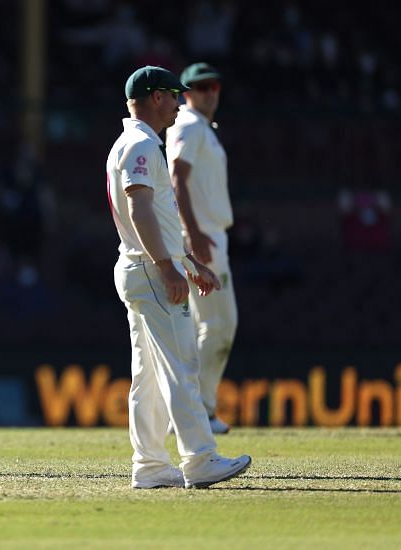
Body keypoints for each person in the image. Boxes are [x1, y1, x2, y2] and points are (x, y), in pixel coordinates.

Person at [106, 65, 251, 489]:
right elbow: (140, 208)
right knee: (182, 365)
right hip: (151, 269)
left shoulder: (134, 141)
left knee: (148, 377)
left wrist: (188, 262)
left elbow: (161, 220)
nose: (176, 104)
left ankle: (150, 467)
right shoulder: (141, 143)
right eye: (172, 96)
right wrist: (169, 267)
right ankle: (200, 459)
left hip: (143, 266)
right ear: (155, 97)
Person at [165, 62, 235, 434]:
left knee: (210, 325)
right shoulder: (189, 125)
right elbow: (178, 176)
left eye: (215, 85)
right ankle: (198, 411)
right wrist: (192, 233)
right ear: (187, 93)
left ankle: (194, 410)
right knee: (218, 325)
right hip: (202, 235)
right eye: (202, 86)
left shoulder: (201, 128)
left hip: (207, 234)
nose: (210, 92)